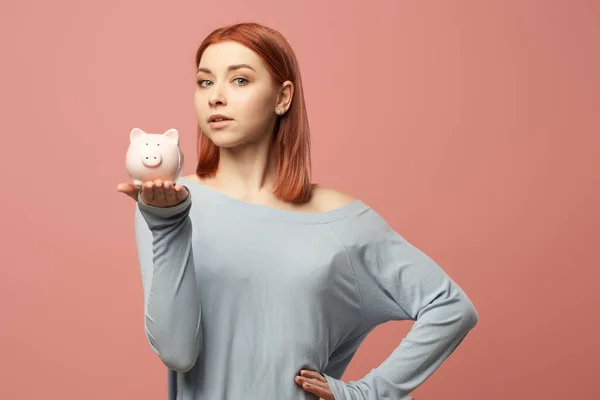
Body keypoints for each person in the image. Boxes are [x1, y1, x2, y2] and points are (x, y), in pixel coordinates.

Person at [117, 22, 478, 400]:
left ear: (282, 97)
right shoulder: (167, 203)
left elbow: (450, 308)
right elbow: (177, 352)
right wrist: (169, 224)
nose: (216, 97)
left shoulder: (341, 222)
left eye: (239, 80)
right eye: (205, 82)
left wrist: (368, 392)